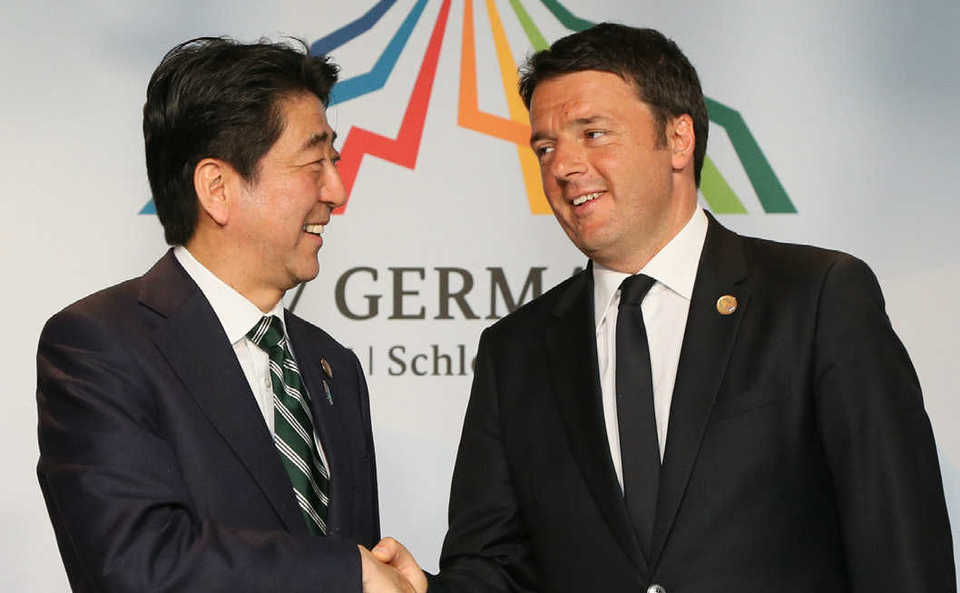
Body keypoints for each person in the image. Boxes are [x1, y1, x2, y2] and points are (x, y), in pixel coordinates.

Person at [375, 23, 955, 592]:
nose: (562, 166)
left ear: (679, 139)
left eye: (593, 133)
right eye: (545, 147)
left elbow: (900, 544)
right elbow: (496, 566)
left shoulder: (816, 298)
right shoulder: (515, 351)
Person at [37, 37, 414, 593]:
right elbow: (135, 566)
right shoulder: (99, 346)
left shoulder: (333, 365)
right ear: (217, 188)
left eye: (334, 162)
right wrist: (346, 571)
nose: (337, 191)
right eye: (315, 162)